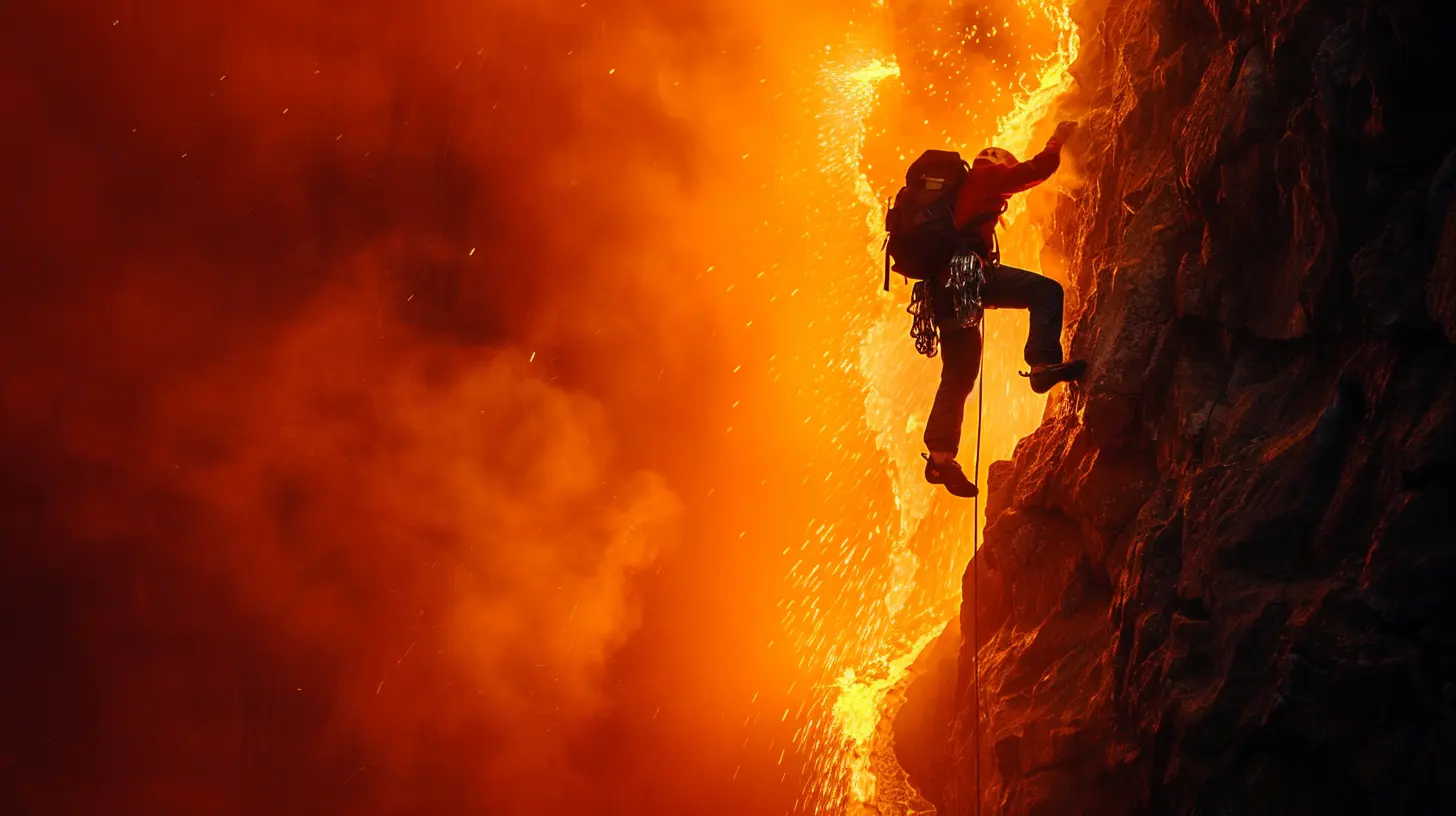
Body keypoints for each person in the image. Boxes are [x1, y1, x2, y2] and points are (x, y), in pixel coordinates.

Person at [922, 121, 1087, 499]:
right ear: (996, 159)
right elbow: (1033, 172)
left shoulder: (960, 196)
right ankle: (1043, 364)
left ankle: (940, 457)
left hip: (944, 288)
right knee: (1044, 291)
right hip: (967, 276)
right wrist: (1056, 139)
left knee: (960, 371)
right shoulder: (986, 174)